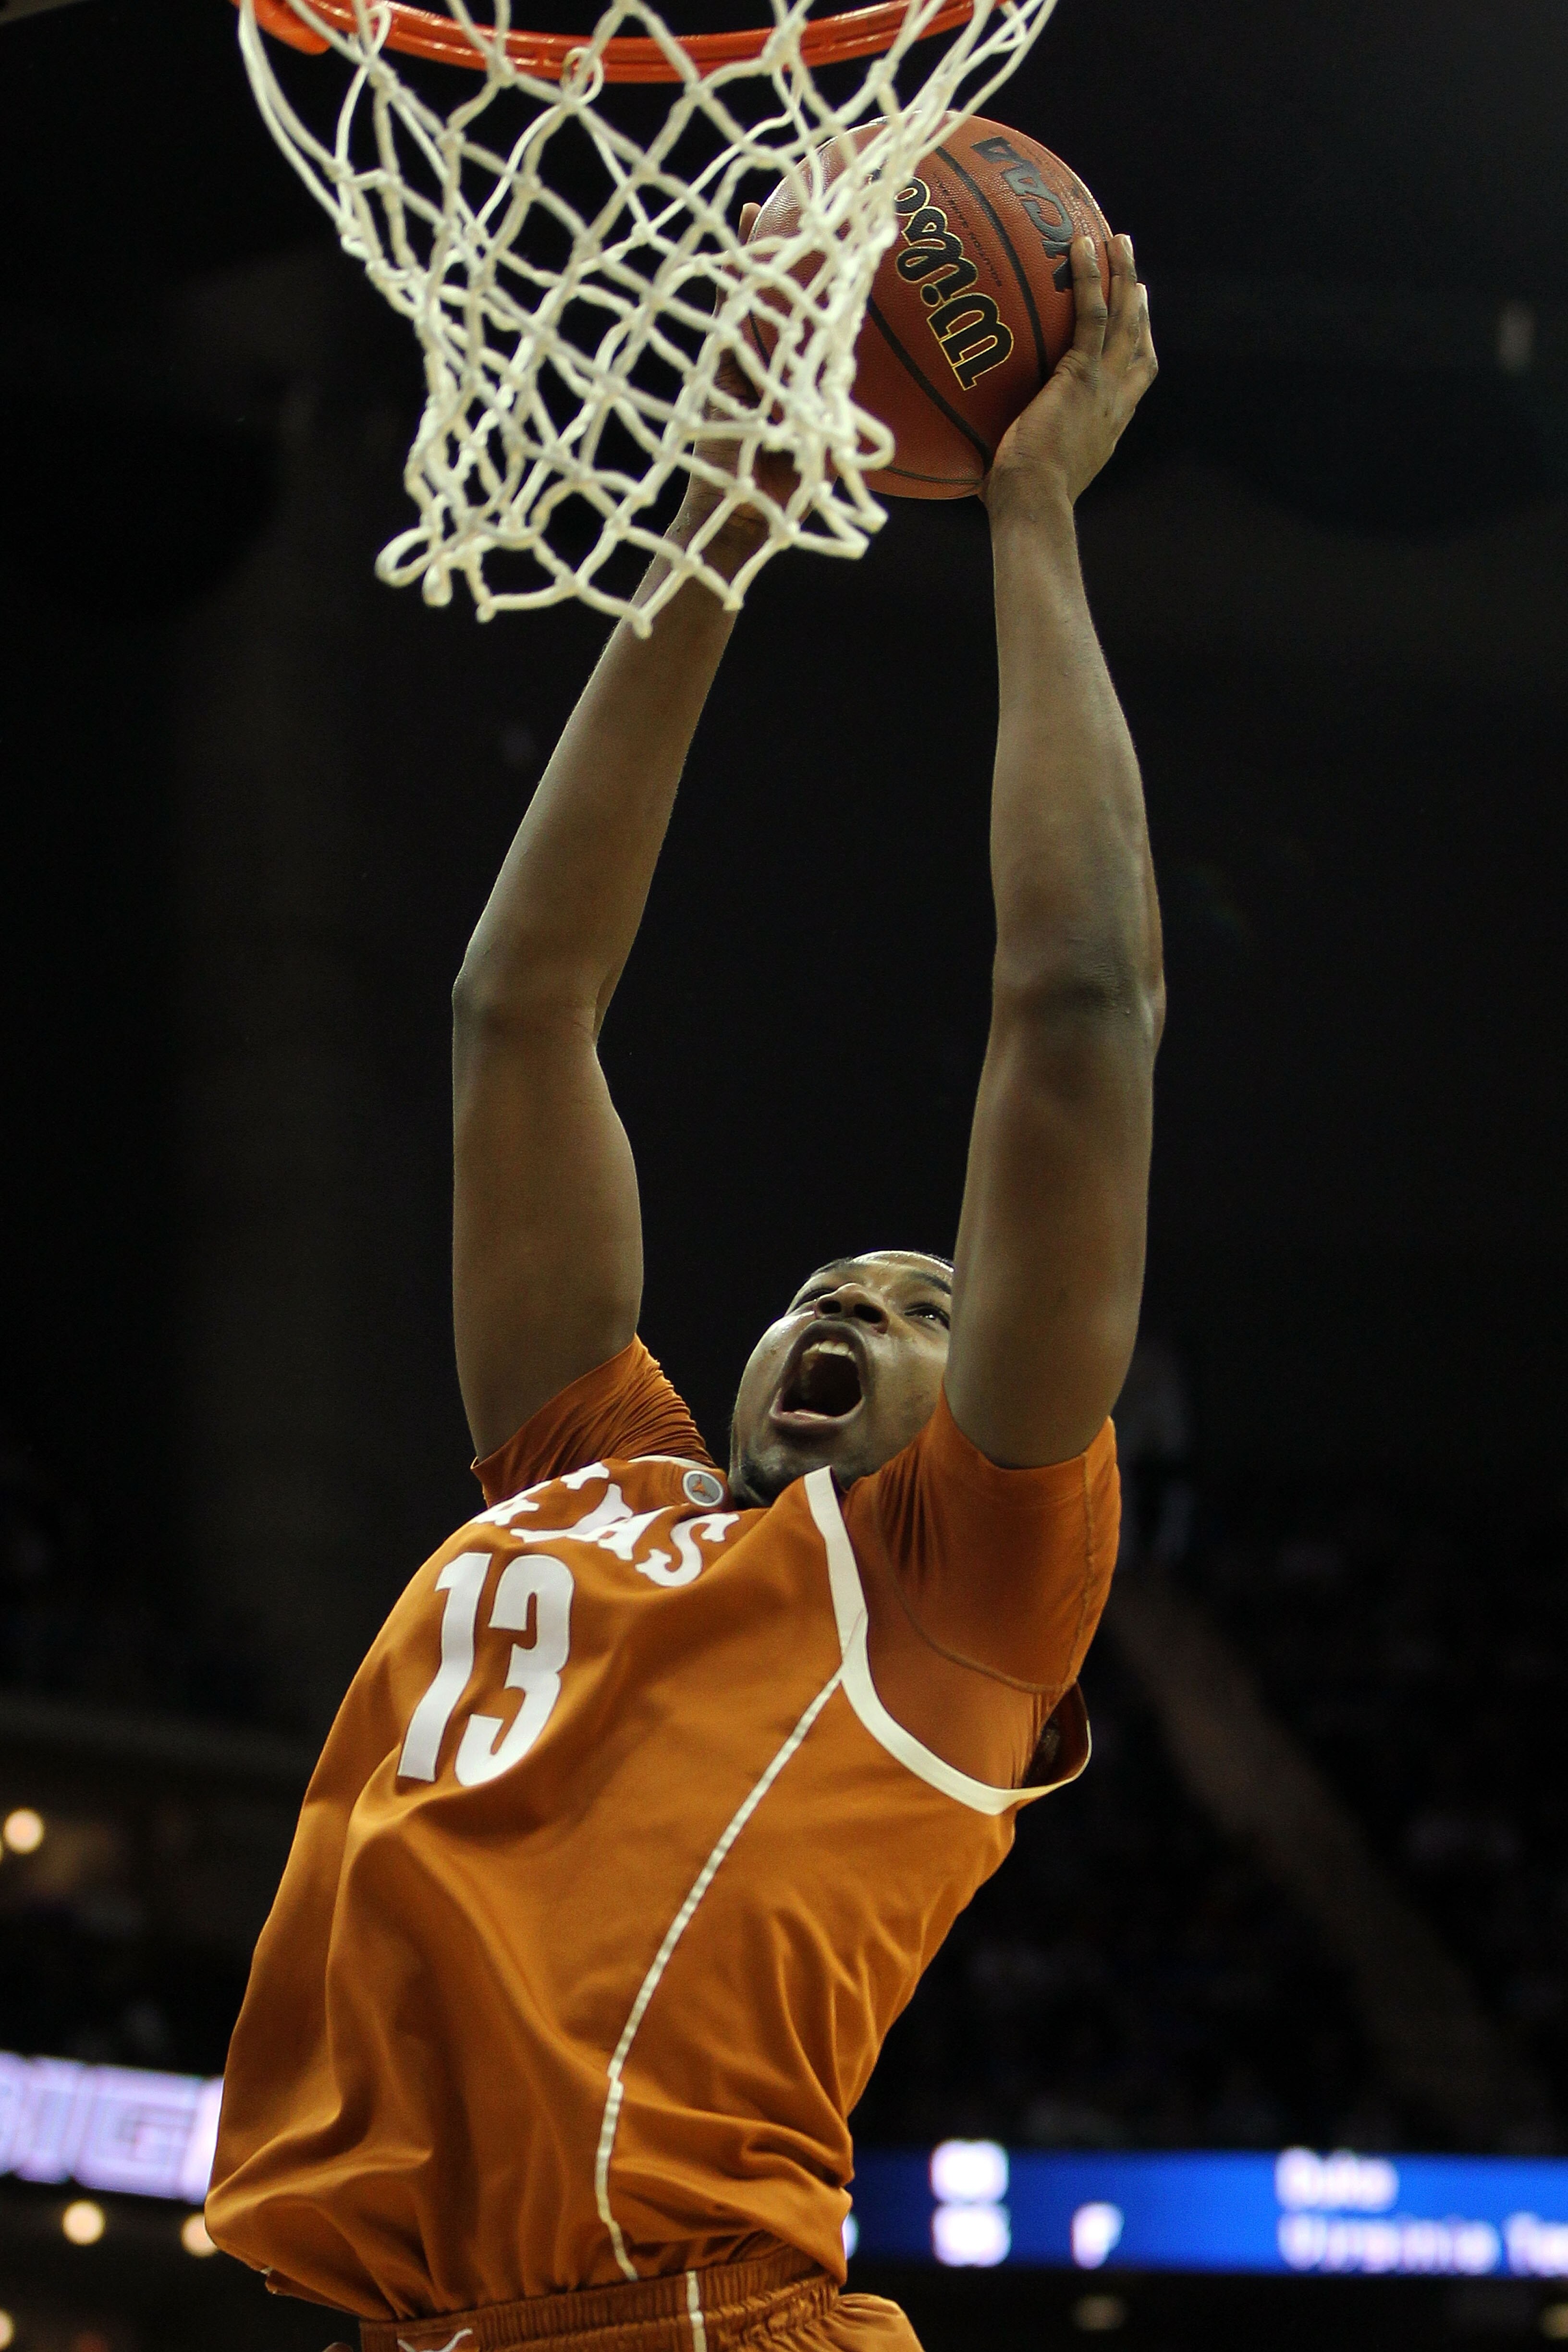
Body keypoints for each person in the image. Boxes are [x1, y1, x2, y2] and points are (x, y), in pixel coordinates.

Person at [205, 231, 1162, 2352]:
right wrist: (721, 516)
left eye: (918, 1303)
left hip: (696, 2324)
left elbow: (1080, 1011)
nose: (843, 1305)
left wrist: (1034, 514)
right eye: (822, 1285)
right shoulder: (584, 1468)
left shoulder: (957, 1597)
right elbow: (518, 1014)